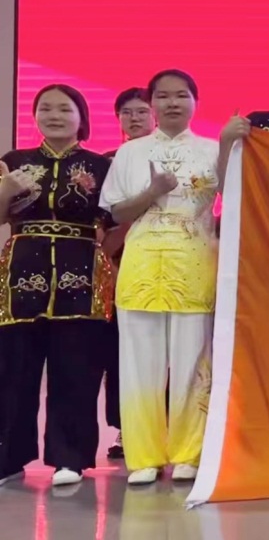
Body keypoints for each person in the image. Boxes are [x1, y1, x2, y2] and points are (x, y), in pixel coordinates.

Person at [99, 70, 222, 485]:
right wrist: (152, 192)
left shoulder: (212, 150)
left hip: (194, 264)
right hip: (141, 266)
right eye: (164, 96)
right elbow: (116, 213)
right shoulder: (130, 153)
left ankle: (189, 453)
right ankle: (144, 456)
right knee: (139, 365)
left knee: (193, 362)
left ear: (195, 102)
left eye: (181, 95)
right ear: (152, 104)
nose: (172, 103)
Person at [0, 86, 114, 487]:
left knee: (76, 368)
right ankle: (9, 458)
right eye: (45, 108)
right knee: (14, 370)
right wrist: (6, 190)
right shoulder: (14, 162)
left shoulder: (100, 166)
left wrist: (104, 260)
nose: (54, 115)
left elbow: (115, 221)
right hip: (21, 275)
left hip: (80, 274)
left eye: (64, 109)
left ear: (81, 117)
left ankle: (71, 458)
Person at [103, 87, 157, 461]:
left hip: (171, 264)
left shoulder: (173, 156)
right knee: (122, 353)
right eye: (127, 112)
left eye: (141, 111)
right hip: (118, 268)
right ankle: (127, 429)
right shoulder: (107, 162)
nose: (134, 118)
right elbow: (102, 221)